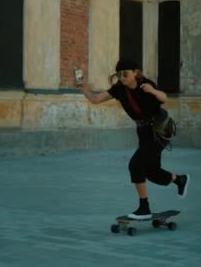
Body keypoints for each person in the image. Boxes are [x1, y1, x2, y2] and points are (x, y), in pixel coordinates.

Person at [79, 59, 189, 219]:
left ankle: (144, 208)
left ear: (135, 72)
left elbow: (164, 98)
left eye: (125, 74)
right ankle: (179, 179)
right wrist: (84, 89)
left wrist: (153, 91)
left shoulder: (146, 85)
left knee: (136, 164)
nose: (122, 78)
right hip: (143, 132)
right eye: (119, 75)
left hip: (159, 130)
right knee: (151, 172)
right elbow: (96, 100)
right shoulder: (119, 89)